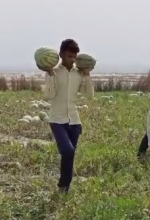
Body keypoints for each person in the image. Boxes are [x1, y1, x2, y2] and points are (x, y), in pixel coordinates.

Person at [37, 39, 94, 193]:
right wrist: (49, 75)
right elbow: (48, 95)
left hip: (74, 121)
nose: (72, 60)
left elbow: (88, 95)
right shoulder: (54, 72)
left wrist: (87, 76)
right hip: (57, 119)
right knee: (67, 151)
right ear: (61, 54)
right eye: (69, 56)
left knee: (69, 156)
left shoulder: (79, 74)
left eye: (74, 57)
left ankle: (64, 189)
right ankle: (63, 185)